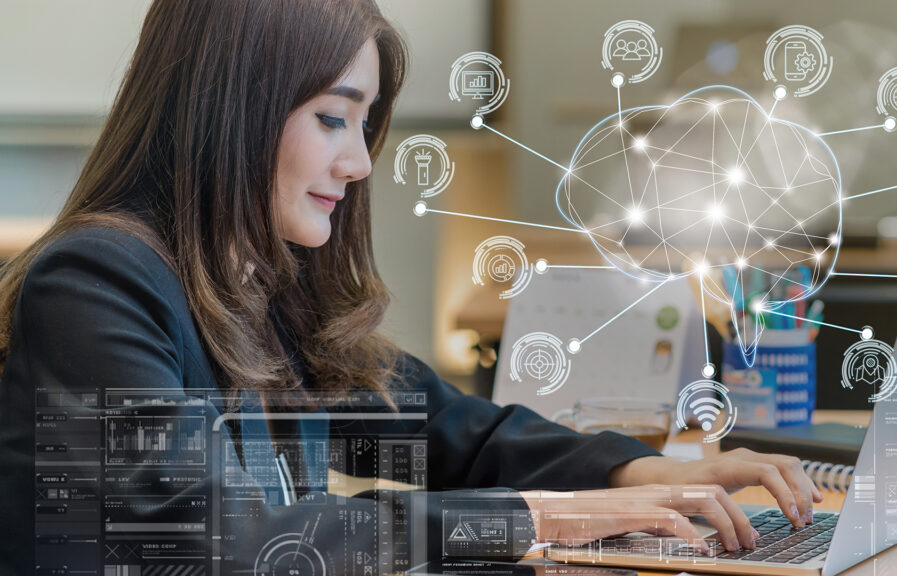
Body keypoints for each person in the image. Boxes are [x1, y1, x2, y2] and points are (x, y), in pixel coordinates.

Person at [0, 0, 821, 572]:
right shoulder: (95, 287)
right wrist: (546, 519)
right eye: (332, 118)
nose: (357, 165)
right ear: (233, 108)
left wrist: (633, 476)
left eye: (363, 126)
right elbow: (225, 543)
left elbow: (448, 430)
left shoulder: (261, 292)